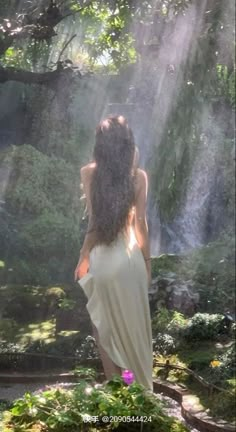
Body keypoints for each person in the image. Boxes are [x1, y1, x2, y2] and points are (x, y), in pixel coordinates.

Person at [74, 115, 153, 391]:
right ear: (128, 145)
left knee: (105, 331)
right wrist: (147, 261)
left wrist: (84, 257)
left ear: (100, 145)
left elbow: (95, 223)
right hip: (130, 260)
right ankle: (138, 391)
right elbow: (140, 225)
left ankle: (116, 389)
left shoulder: (89, 173)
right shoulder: (138, 177)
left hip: (104, 261)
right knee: (132, 333)